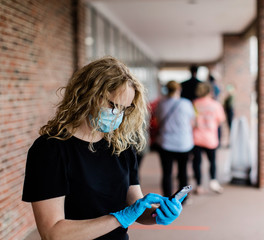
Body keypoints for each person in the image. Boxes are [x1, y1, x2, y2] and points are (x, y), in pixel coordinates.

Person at [22, 57, 186, 240]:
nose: (117, 114)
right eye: (113, 105)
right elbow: (53, 233)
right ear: (87, 95)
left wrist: (157, 214)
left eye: (124, 108)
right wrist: (120, 217)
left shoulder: (122, 147)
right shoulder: (50, 150)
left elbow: (135, 209)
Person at [155, 81, 195, 198]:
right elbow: (192, 121)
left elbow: (157, 120)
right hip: (184, 143)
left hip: (165, 142)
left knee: (167, 173)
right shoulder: (186, 103)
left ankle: (167, 198)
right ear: (179, 89)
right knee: (183, 172)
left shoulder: (161, 104)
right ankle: (183, 198)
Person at [192, 82, 226, 194]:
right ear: (210, 92)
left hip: (196, 137)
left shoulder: (195, 104)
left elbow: (191, 120)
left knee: (197, 162)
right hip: (211, 138)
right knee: (212, 161)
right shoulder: (215, 105)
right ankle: (213, 182)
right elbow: (220, 119)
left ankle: (199, 185)